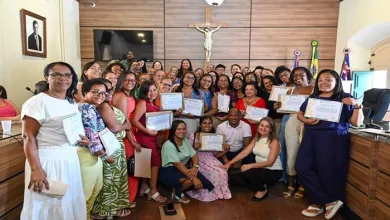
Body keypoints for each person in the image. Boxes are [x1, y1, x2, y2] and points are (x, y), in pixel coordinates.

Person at [20, 62, 87, 220]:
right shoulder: (37, 102)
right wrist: (36, 169)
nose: (62, 78)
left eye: (67, 75)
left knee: (70, 202)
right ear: (47, 77)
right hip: (47, 160)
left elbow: (72, 129)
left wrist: (83, 139)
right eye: (56, 74)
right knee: (46, 205)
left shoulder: (70, 102)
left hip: (69, 159)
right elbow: (28, 137)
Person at [296, 69, 363, 219]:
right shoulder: (313, 97)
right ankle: (328, 200)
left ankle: (319, 202)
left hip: (333, 137)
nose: (323, 83)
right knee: (302, 166)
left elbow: (356, 123)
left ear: (336, 81)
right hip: (311, 135)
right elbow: (300, 113)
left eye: (328, 80)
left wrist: (357, 105)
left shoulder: (345, 97)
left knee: (327, 170)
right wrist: (305, 120)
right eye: (320, 80)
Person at [92, 79, 132, 218]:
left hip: (116, 145)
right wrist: (126, 126)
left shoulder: (107, 105)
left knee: (116, 180)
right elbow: (114, 127)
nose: (109, 93)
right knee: (110, 180)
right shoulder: (103, 106)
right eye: (105, 90)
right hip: (109, 146)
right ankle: (105, 210)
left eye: (111, 89)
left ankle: (112, 208)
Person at [78, 79, 116, 219]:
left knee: (95, 189)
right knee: (86, 194)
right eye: (95, 91)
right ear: (85, 92)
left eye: (103, 93)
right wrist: (106, 156)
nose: (100, 95)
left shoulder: (90, 107)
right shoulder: (86, 108)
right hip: (87, 155)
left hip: (93, 154)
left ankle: (86, 216)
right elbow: (91, 137)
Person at [274, 67, 314, 199]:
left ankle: (303, 185)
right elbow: (286, 110)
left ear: (308, 76)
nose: (298, 77)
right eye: (295, 75)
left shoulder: (315, 90)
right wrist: (278, 107)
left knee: (306, 155)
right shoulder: (290, 91)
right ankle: (291, 184)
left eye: (301, 75)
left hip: (309, 124)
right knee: (291, 154)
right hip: (292, 121)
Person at [222, 117, 282, 201]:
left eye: (267, 126)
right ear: (258, 126)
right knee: (234, 178)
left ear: (271, 129)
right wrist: (229, 163)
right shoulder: (256, 138)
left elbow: (270, 162)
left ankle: (262, 190)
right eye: (261, 125)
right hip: (259, 169)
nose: (263, 128)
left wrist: (251, 165)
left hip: (273, 171)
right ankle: (262, 183)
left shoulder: (274, 141)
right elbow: (244, 153)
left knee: (248, 172)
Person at [160, 120, 215, 203]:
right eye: (179, 129)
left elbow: (194, 155)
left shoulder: (185, 141)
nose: (182, 131)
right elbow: (177, 164)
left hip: (181, 168)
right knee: (194, 178)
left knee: (192, 178)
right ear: (173, 130)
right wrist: (194, 178)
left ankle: (176, 192)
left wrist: (195, 166)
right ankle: (178, 192)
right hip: (169, 171)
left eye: (183, 129)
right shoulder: (168, 145)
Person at [131, 80, 167, 203]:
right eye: (149, 91)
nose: (152, 93)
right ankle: (153, 190)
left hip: (152, 136)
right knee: (155, 163)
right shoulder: (142, 103)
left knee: (146, 162)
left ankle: (144, 187)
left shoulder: (153, 103)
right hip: (144, 137)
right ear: (144, 92)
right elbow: (134, 121)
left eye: (154, 90)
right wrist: (147, 132)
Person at [112, 71, 141, 207]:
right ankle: (126, 200)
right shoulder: (120, 96)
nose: (130, 82)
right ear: (121, 81)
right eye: (127, 80)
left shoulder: (130, 96)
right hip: (125, 135)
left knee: (133, 168)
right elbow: (124, 121)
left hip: (131, 132)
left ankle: (129, 198)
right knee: (130, 167)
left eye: (133, 80)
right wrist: (132, 140)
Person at [187, 116, 232, 201]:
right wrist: (194, 147)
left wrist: (226, 150)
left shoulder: (214, 137)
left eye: (209, 123)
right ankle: (209, 194)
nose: (207, 125)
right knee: (212, 172)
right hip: (197, 159)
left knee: (222, 171)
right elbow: (187, 153)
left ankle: (220, 193)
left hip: (211, 159)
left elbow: (216, 155)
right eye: (204, 123)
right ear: (200, 124)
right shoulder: (193, 136)